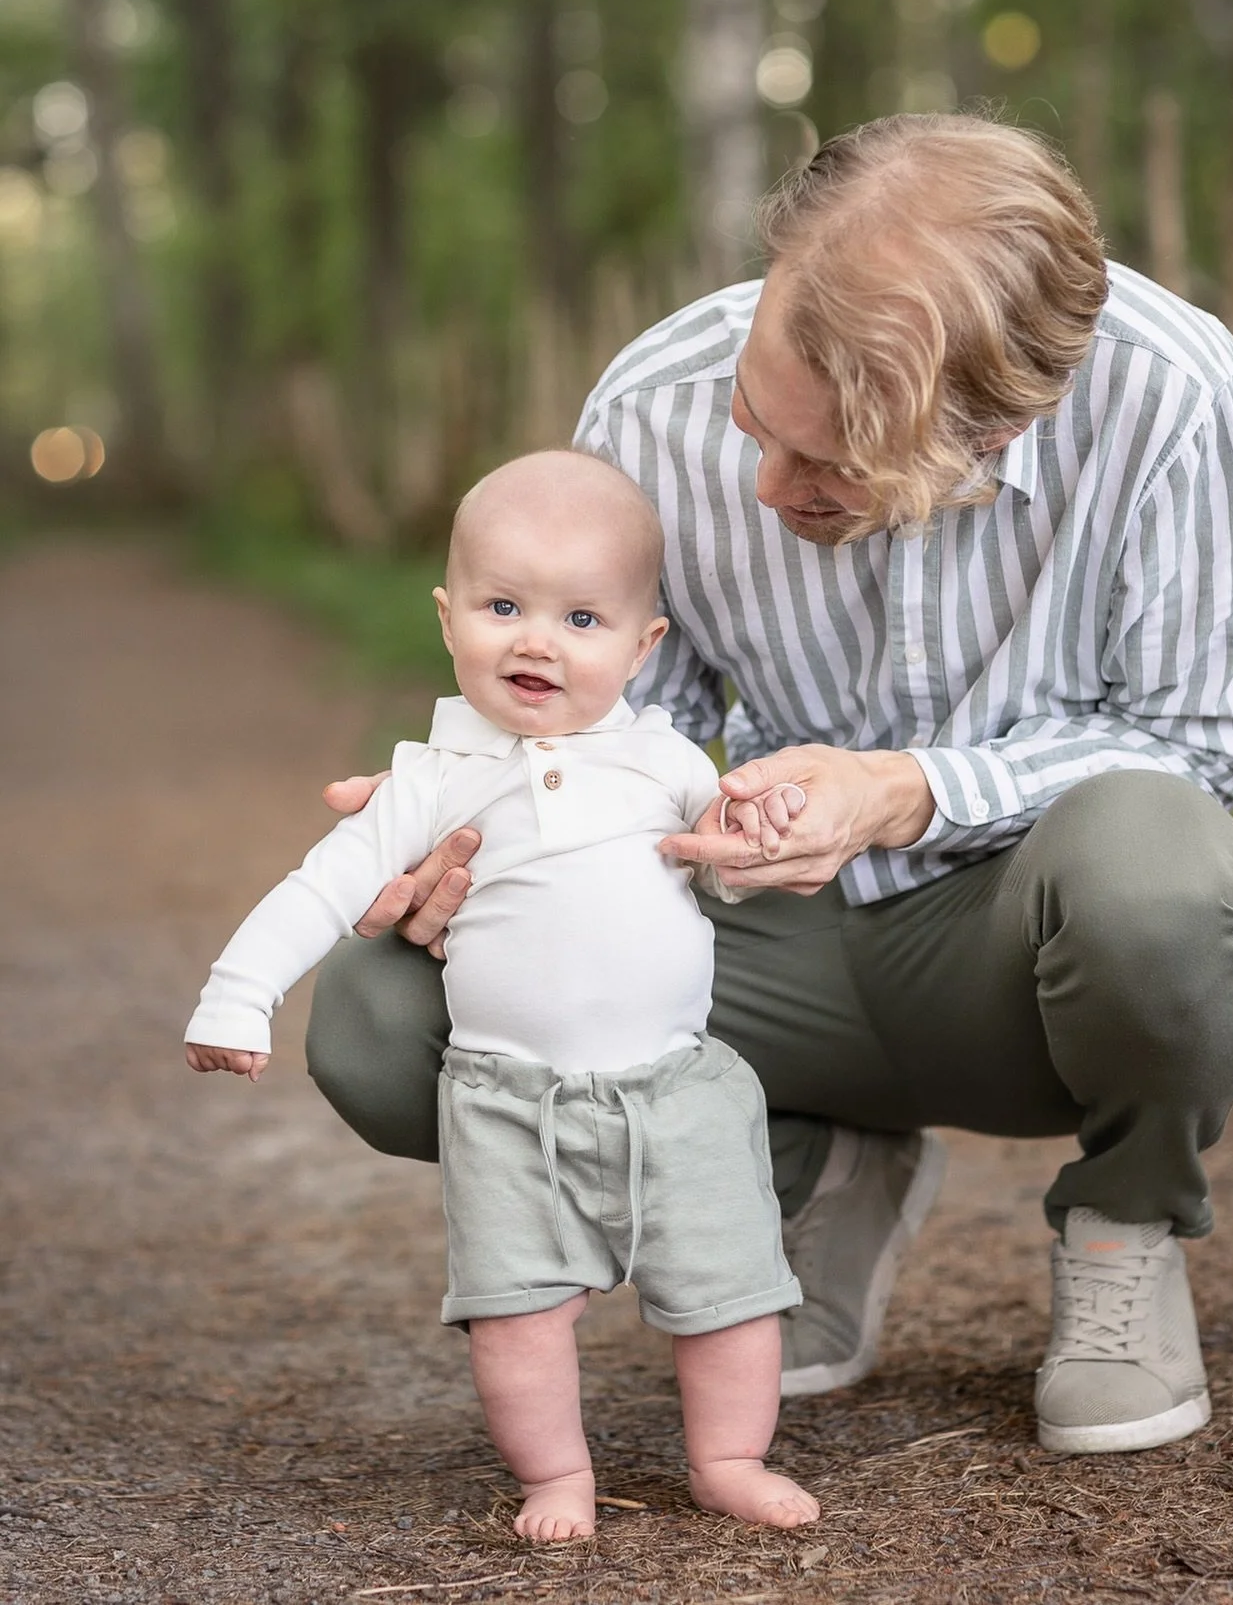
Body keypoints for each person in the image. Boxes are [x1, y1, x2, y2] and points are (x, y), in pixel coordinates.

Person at [309, 112, 1233, 1457]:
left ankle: (1125, 1222)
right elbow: (618, 725)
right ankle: (793, 1161)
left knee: (1159, 871)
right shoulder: (650, 402)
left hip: (1021, 958)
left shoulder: (1174, 396)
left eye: (828, 467)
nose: (767, 483)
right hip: (760, 953)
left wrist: (907, 789)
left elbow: (1200, 741)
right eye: (756, 423)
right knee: (381, 1021)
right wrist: (481, 819)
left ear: (1000, 426)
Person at [185, 451, 821, 1540]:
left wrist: (755, 829)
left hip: (677, 1088)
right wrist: (237, 995)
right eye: (504, 607)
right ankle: (556, 1474)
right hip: (508, 1101)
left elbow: (727, 858)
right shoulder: (431, 779)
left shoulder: (665, 758)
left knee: (730, 1295)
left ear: (643, 647)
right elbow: (321, 886)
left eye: (581, 618)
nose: (537, 641)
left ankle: (728, 1457)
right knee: (515, 1313)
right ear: (448, 618)